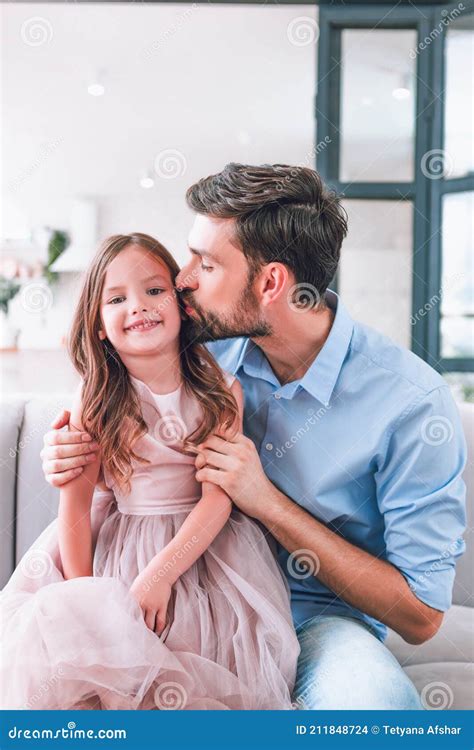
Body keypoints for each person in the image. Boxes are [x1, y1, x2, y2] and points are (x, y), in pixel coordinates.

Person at [41, 164, 467, 710]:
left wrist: (266, 502)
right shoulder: (197, 348)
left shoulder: (410, 403)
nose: (183, 278)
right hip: (184, 601)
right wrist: (69, 454)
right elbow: (107, 388)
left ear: (270, 283)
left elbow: (423, 616)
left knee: (376, 709)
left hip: (312, 618)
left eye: (207, 262)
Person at [1, 232, 300, 711]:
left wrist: (161, 575)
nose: (138, 307)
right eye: (117, 299)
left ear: (182, 305)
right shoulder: (95, 403)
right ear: (99, 325)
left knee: (190, 676)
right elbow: (75, 510)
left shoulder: (222, 392)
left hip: (203, 555)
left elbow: (218, 499)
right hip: (118, 552)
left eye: (155, 291)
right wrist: (89, 606)